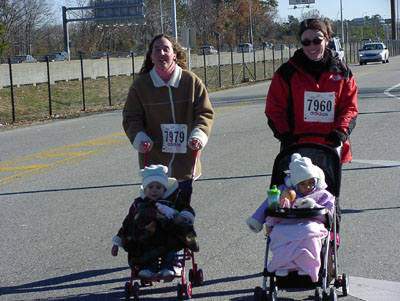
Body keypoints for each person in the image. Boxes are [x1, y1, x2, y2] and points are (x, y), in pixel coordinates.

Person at [122, 34, 214, 190]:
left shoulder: (191, 81)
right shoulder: (140, 86)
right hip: (155, 162)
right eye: (157, 50)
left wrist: (199, 134)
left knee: (182, 211)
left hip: (186, 158)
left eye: (166, 49)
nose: (162, 53)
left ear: (174, 55)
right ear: (151, 56)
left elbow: (204, 113)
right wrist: (139, 137)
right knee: (156, 211)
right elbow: (131, 118)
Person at [265, 18, 358, 163]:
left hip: (331, 148)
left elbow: (350, 108)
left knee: (328, 186)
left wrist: (340, 133)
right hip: (297, 149)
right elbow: (275, 109)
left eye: (317, 40)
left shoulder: (342, 72)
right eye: (306, 42)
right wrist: (285, 135)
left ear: (327, 40)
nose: (312, 46)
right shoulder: (286, 73)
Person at [246, 153, 335, 282]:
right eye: (303, 184)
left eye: (311, 182)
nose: (308, 186)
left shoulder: (323, 194)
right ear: (294, 183)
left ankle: (306, 265)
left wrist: (313, 206)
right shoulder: (285, 192)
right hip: (286, 225)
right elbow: (268, 205)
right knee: (278, 233)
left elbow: (329, 214)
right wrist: (258, 219)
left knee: (309, 233)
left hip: (312, 224)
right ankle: (283, 265)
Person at [111, 164, 198, 278]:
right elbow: (127, 222)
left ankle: (172, 266)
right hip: (148, 235)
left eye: (158, 187)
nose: (154, 191)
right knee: (143, 243)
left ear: (165, 189)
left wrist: (182, 216)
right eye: (150, 187)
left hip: (169, 233)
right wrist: (117, 242)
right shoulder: (139, 203)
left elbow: (187, 210)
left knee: (175, 240)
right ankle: (148, 268)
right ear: (145, 189)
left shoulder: (173, 200)